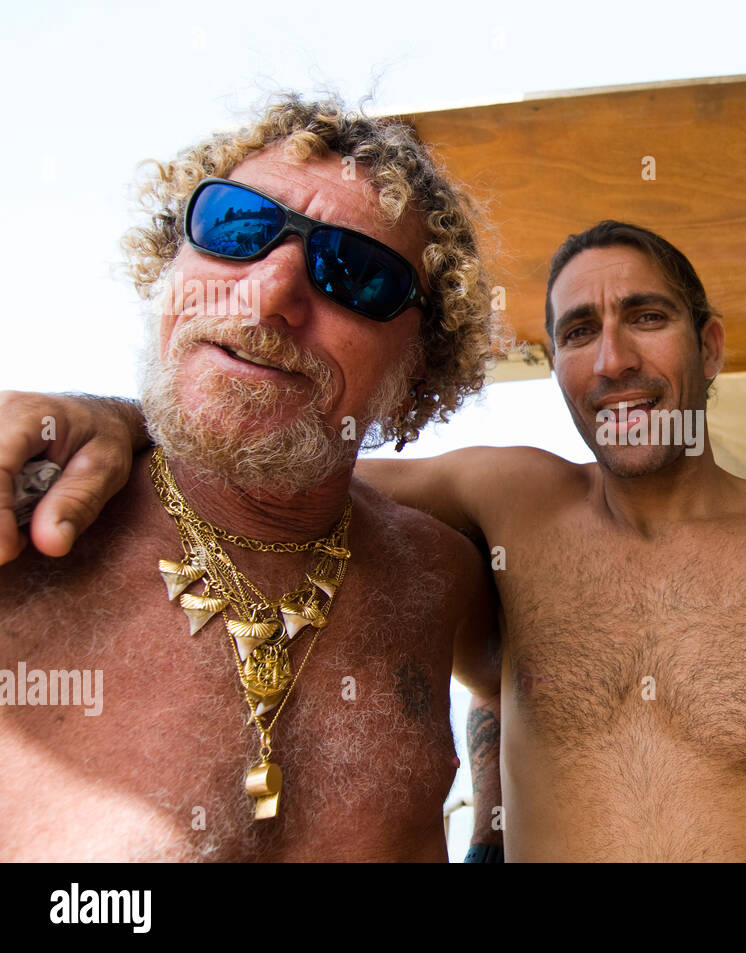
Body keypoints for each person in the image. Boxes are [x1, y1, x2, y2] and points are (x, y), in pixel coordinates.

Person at [3, 220, 746, 861]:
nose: (614, 360)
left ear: (709, 348)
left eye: (648, 317)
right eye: (578, 332)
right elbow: (275, 471)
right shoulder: (508, 500)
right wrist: (116, 419)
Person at [0, 96, 499, 860]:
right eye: (237, 226)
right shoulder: (22, 527)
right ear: (170, 263)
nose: (268, 295)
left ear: (418, 365)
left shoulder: (439, 575)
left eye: (356, 273)